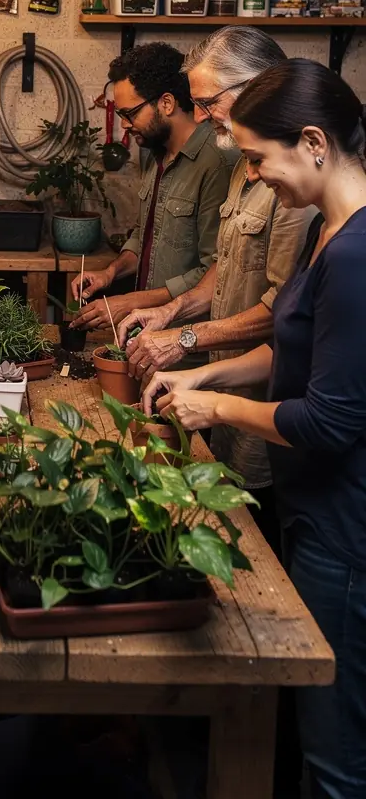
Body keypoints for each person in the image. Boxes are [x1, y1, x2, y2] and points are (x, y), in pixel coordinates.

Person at [141, 58, 366, 799]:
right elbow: (293, 350)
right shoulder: (327, 230)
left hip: (346, 531)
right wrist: (206, 376)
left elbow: (329, 420)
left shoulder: (357, 254)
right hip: (313, 514)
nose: (256, 174)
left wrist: (218, 410)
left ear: (313, 143)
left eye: (260, 158)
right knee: (311, 730)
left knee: (337, 758)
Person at [116, 27, 315, 522]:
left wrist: (185, 338)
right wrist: (171, 310)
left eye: (208, 102)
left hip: (266, 406)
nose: (201, 116)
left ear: (258, 86)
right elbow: (227, 265)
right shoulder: (243, 167)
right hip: (224, 393)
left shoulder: (292, 181)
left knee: (256, 533)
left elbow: (285, 311)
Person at [70, 43, 235, 331]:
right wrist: (111, 272)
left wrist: (128, 302)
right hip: (149, 336)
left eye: (130, 114)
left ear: (167, 103)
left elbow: (216, 271)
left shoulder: (216, 162)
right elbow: (146, 236)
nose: (125, 125)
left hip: (188, 339)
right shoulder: (153, 152)